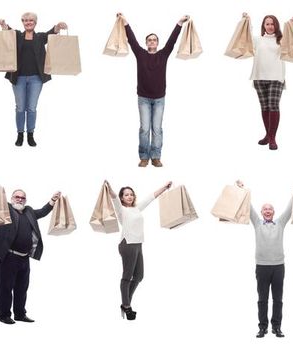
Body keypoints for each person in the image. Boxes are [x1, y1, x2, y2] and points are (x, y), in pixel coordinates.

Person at [0, 180, 58, 324]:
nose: (20, 199)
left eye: (22, 197)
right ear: (12, 199)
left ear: (25, 200)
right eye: (17, 197)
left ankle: (20, 314)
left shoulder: (29, 211)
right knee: (5, 287)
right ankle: (4, 315)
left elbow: (42, 212)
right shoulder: (6, 209)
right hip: (9, 256)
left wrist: (52, 200)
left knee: (22, 288)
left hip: (25, 258)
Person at [120, 13, 188, 167]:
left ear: (157, 43)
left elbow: (172, 41)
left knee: (157, 128)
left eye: (154, 40)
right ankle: (144, 157)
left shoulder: (164, 54)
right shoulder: (141, 54)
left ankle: (156, 156)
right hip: (143, 97)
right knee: (144, 128)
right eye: (149, 39)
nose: (152, 41)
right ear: (146, 43)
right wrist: (125, 23)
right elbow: (131, 40)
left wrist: (179, 23)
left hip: (159, 99)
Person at [0, 13, 68, 147]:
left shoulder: (40, 37)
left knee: (32, 108)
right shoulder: (17, 35)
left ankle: (30, 135)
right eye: (26, 20)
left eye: (31, 20)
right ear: (22, 22)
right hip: (19, 78)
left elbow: (52, 33)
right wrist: (3, 25)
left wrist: (58, 26)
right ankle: (20, 134)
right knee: (20, 108)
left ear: (35, 22)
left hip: (36, 79)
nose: (28, 22)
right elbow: (8, 31)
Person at [106, 180, 172, 321]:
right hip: (127, 244)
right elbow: (114, 198)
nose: (129, 196)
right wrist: (110, 188)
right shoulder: (121, 210)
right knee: (127, 277)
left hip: (138, 244)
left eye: (131, 194)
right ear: (122, 197)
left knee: (139, 276)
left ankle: (126, 303)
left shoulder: (136, 208)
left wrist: (165, 187)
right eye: (126, 195)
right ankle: (127, 306)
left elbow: (150, 197)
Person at [238, 180, 293, 338]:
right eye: (265, 209)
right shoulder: (257, 223)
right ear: (262, 212)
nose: (268, 210)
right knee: (262, 299)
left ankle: (276, 327)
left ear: (274, 212)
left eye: (270, 209)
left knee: (278, 299)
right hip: (262, 266)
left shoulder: (280, 223)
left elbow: (289, 210)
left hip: (278, 266)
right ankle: (262, 327)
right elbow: (249, 207)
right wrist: (243, 189)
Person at [242, 13, 293, 151]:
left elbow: (292, 35)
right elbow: (246, 36)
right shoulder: (258, 40)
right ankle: (267, 135)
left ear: (276, 25)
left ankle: (272, 138)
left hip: (276, 77)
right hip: (259, 76)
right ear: (263, 26)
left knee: (273, 105)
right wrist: (247, 20)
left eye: (272, 24)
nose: (270, 26)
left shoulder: (282, 40)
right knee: (264, 107)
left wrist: (292, 22)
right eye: (267, 24)